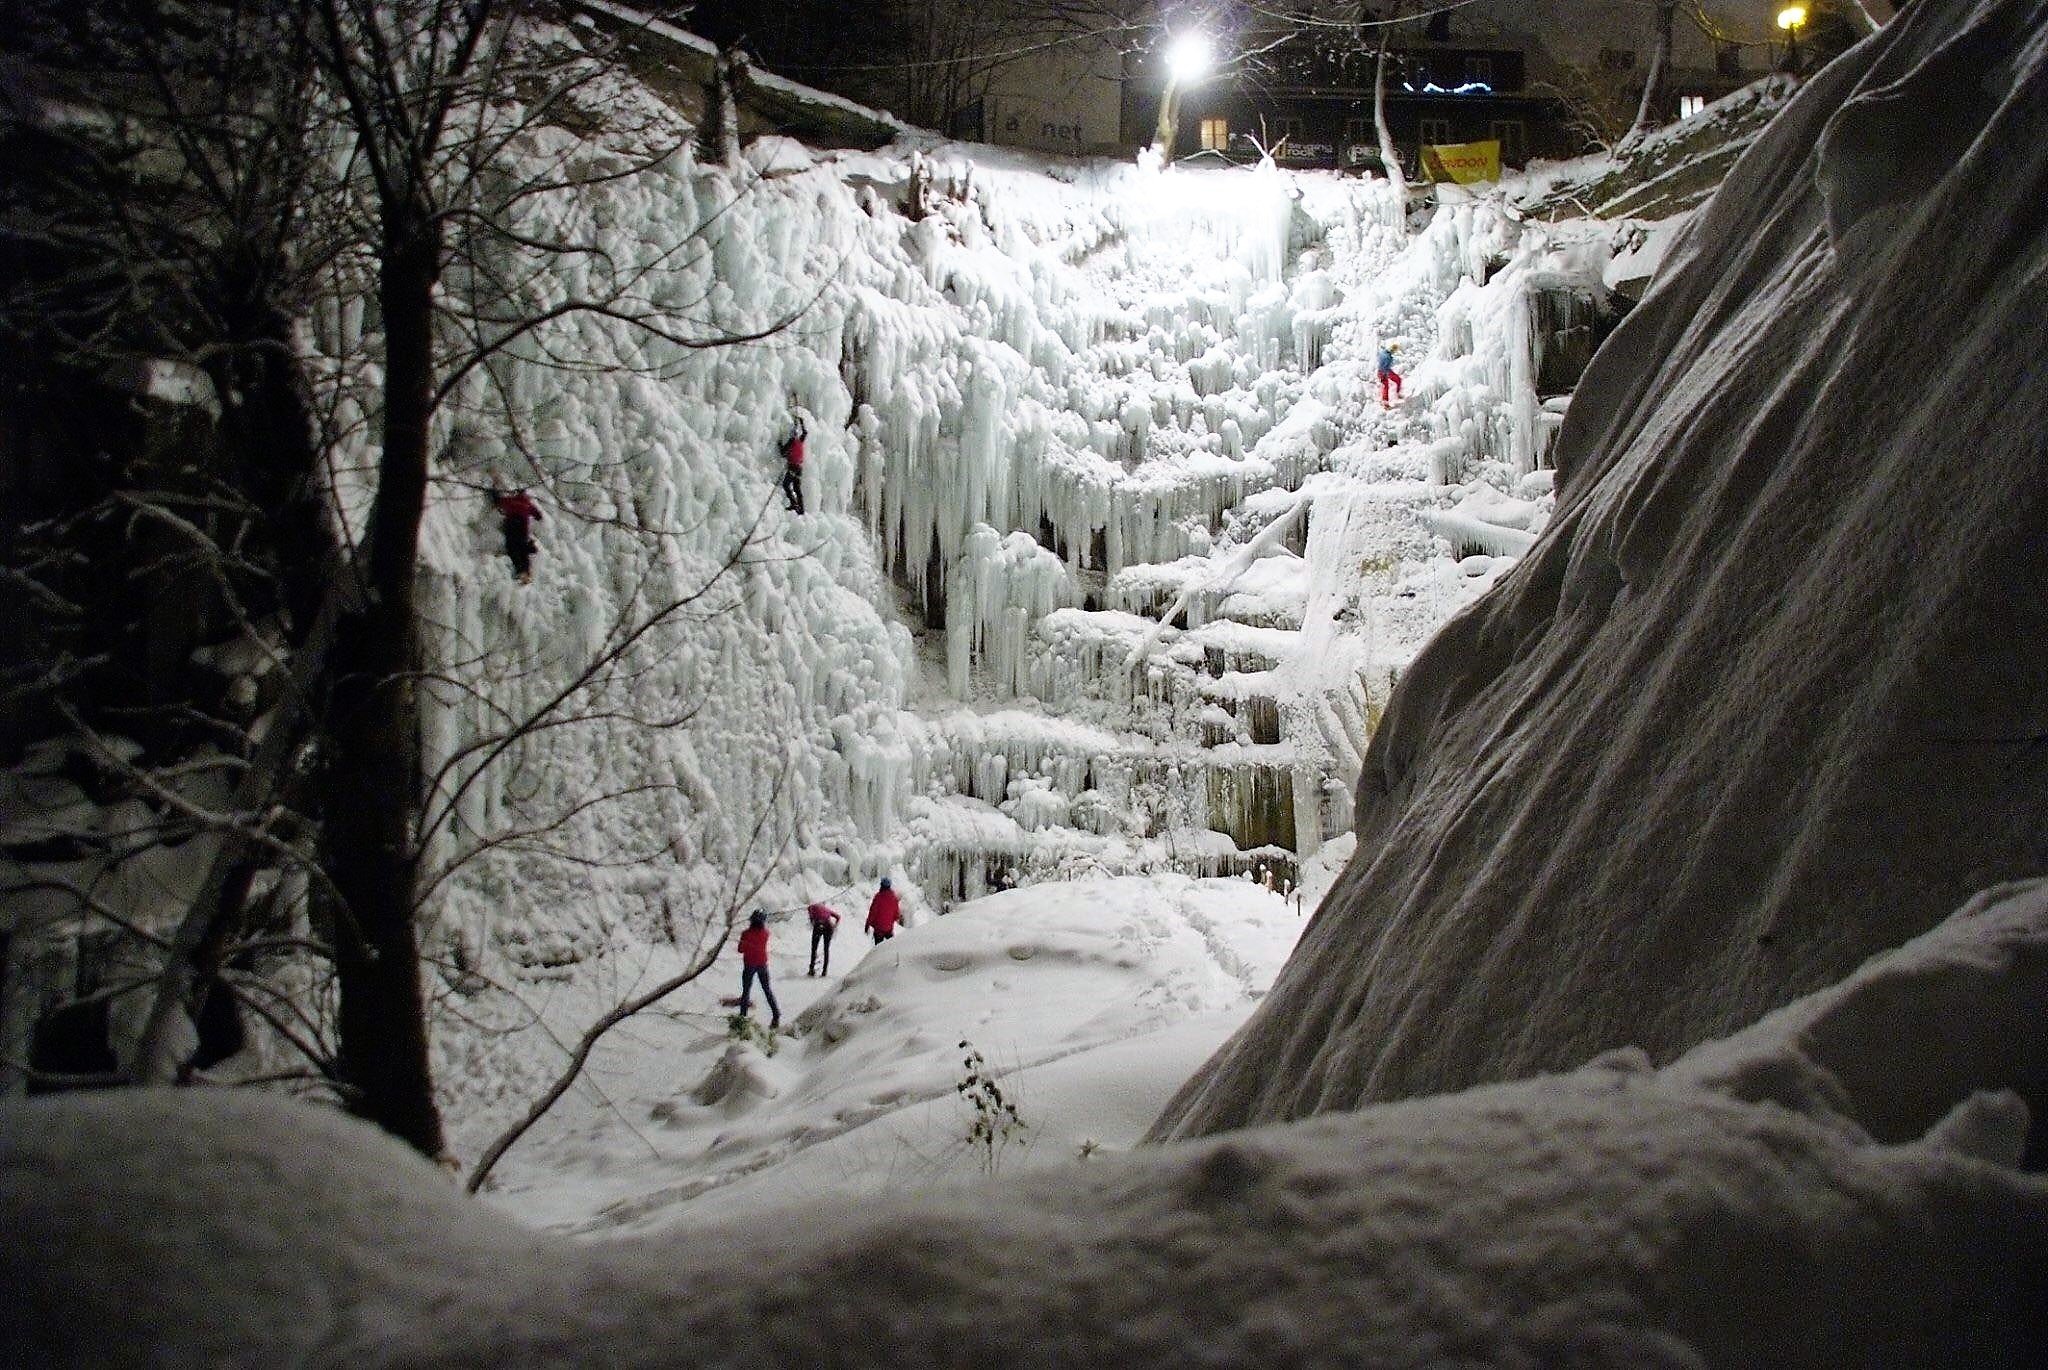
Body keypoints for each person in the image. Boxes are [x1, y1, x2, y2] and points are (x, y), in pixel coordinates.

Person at [736, 910, 780, 1030]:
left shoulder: (745, 933)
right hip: (762, 964)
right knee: (767, 990)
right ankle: (776, 1014)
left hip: (749, 964)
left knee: (746, 992)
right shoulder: (766, 933)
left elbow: (740, 949)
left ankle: (742, 1019)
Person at [493, 488, 542, 584]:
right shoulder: (528, 504)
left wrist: (493, 492)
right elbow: (538, 516)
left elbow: (498, 500)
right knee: (522, 550)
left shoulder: (511, 500)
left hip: (511, 526)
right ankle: (526, 572)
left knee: (512, 548)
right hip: (522, 529)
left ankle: (520, 570)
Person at [779, 417, 807, 515]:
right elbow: (805, 433)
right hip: (799, 468)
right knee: (797, 488)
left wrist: (779, 444)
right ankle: (801, 508)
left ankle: (794, 503)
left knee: (786, 485)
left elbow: (782, 453)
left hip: (793, 467)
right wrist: (802, 423)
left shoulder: (791, 441)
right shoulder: (800, 441)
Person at [806, 901, 841, 976]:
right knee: (826, 949)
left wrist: (812, 921)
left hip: (818, 925)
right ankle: (824, 971)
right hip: (828, 927)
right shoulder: (827, 909)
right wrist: (835, 925)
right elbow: (838, 917)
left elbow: (811, 917)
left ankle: (811, 969)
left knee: (814, 948)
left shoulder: (811, 908)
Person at [865, 877, 900, 944]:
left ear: (882, 885)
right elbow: (896, 915)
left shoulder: (878, 897)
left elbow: (872, 913)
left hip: (878, 929)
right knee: (891, 946)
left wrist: (868, 924)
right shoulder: (894, 898)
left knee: (878, 948)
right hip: (889, 929)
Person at [1377, 342, 1403, 408]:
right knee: (1388, 385)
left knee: (1394, 381)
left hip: (1382, 371)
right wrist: (1386, 374)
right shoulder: (1388, 357)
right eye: (1395, 350)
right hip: (1384, 372)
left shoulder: (1383, 352)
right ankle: (1385, 402)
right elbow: (1385, 367)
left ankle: (1395, 395)